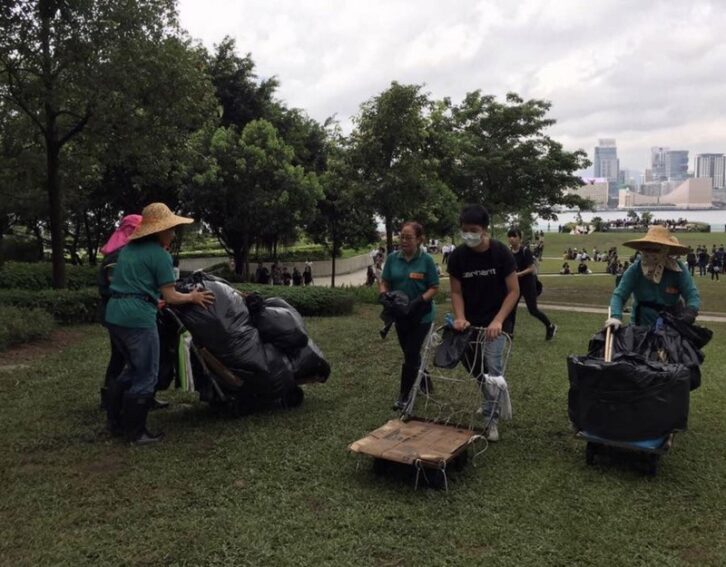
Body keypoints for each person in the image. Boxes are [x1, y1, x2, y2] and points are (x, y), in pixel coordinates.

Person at [104, 203, 215, 444]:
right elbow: (172, 296)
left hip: (114, 314)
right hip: (138, 319)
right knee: (146, 374)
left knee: (130, 370)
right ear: (158, 231)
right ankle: (136, 433)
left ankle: (115, 423)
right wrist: (194, 297)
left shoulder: (128, 250)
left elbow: (134, 283)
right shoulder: (160, 256)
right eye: (170, 229)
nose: (173, 234)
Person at [447, 205, 519, 442]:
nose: (469, 235)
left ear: (485, 230)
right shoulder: (458, 256)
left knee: (493, 367)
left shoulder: (500, 253)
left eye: (474, 230)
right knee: (473, 365)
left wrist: (498, 320)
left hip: (497, 320)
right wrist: (460, 317)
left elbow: (513, 291)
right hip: (470, 321)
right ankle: (489, 400)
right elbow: (456, 292)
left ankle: (492, 420)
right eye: (465, 230)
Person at [379, 221, 439, 410]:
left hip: (422, 315)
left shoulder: (426, 260)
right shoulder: (392, 259)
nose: (403, 240)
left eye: (408, 237)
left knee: (411, 353)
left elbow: (434, 287)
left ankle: (404, 395)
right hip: (401, 315)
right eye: (401, 236)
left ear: (419, 239)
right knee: (409, 353)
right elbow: (385, 281)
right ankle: (425, 379)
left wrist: (418, 302)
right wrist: (383, 294)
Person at [606, 225, 700, 330]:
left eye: (655, 249)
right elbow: (619, 295)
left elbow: (692, 294)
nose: (650, 253)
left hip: (670, 327)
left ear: (665, 250)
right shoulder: (635, 269)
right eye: (647, 248)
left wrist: (691, 311)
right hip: (640, 328)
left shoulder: (678, 269)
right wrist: (615, 317)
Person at [98, 214, 142, 411]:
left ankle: (139, 394)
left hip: (124, 311)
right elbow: (116, 287)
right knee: (121, 356)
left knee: (129, 356)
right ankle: (110, 398)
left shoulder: (128, 252)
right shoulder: (117, 255)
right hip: (118, 313)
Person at [507, 228, 556, 340]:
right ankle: (510, 333)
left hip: (528, 284)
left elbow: (531, 268)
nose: (512, 239)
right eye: (509, 236)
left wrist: (518, 274)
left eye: (514, 236)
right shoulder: (509, 252)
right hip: (516, 285)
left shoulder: (525, 251)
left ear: (520, 238)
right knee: (511, 308)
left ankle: (550, 326)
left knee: (533, 310)